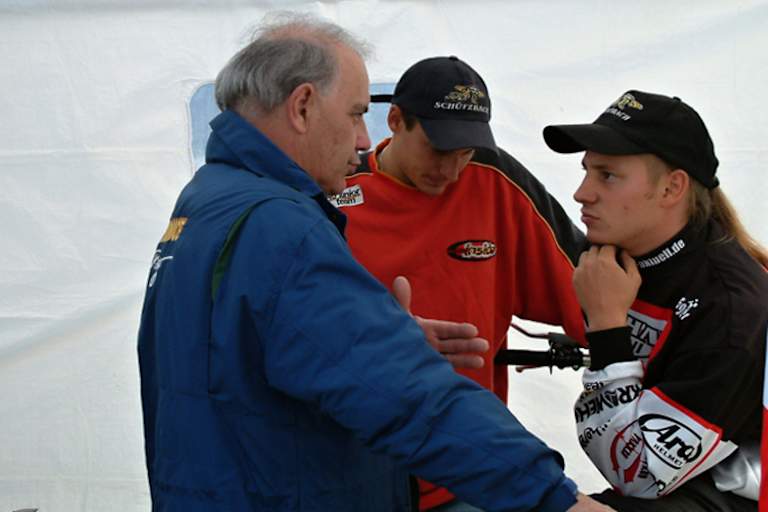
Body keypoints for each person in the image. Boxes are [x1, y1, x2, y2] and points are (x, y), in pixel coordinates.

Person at [136, 12, 612, 512]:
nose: (363, 139)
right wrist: (554, 498)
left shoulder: (204, 201)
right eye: (355, 113)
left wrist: (377, 334)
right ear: (302, 106)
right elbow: (409, 396)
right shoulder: (282, 227)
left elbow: (237, 362)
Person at [332, 55, 588, 511]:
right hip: (352, 473)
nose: (451, 172)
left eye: (464, 153)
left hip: (464, 474)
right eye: (438, 150)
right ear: (395, 120)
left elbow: (588, 288)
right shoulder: (334, 192)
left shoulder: (493, 179)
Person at [543, 89, 768, 511]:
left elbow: (640, 473)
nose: (581, 193)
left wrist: (608, 326)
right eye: (586, 170)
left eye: (607, 175)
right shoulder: (620, 256)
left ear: (671, 188)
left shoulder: (731, 310)